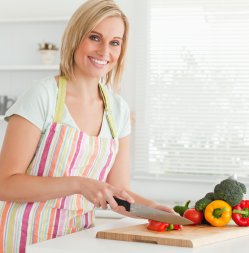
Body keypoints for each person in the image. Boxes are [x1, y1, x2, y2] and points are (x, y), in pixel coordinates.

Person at [0, 1, 172, 252]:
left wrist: (151, 208)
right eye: (95, 37)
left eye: (115, 42)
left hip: (79, 241)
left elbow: (119, 192)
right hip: (26, 239)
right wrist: (79, 184)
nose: (104, 51)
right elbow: (5, 184)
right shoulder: (42, 96)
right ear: (75, 38)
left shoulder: (119, 110)